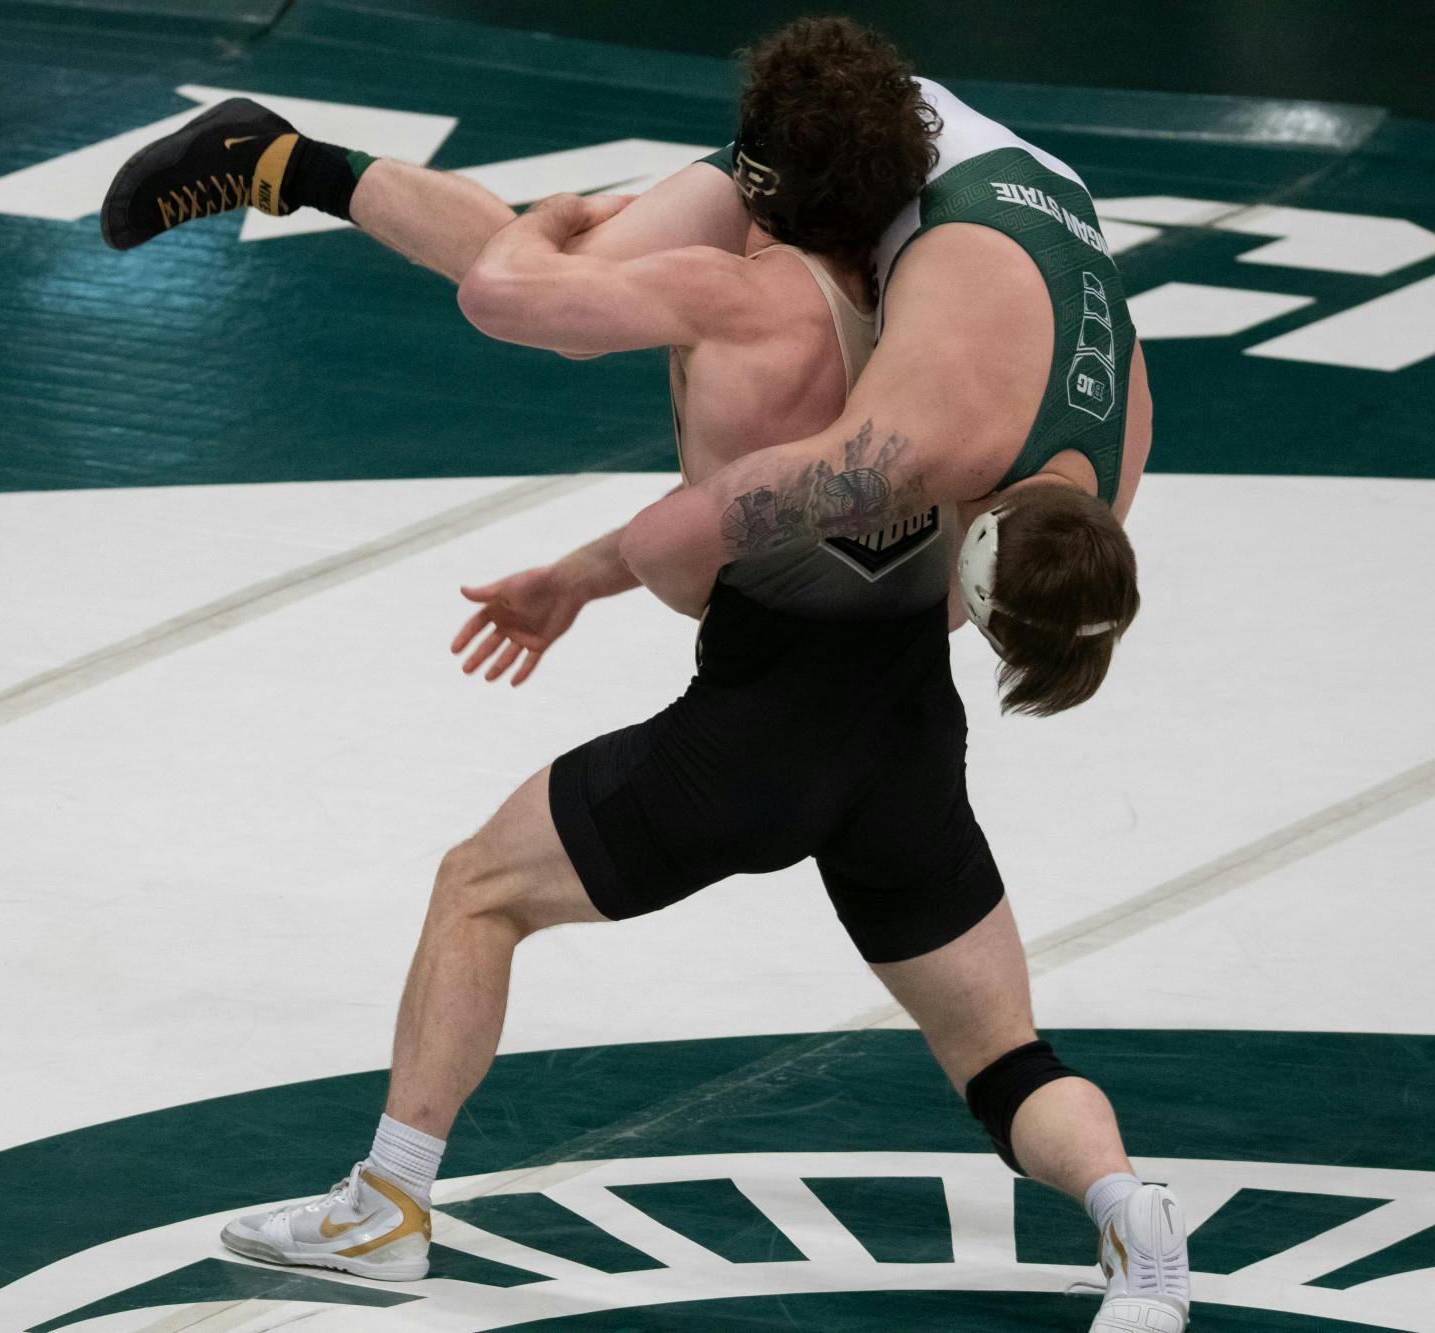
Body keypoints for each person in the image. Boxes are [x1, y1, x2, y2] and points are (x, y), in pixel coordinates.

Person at [101, 18, 1185, 1332]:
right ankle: (1131, 1208)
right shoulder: (1038, 449)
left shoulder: (962, 416)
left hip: (756, 726)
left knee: (477, 886)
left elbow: (699, 523)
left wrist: (574, 563)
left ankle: (386, 1203)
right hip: (905, 743)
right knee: (1004, 1055)